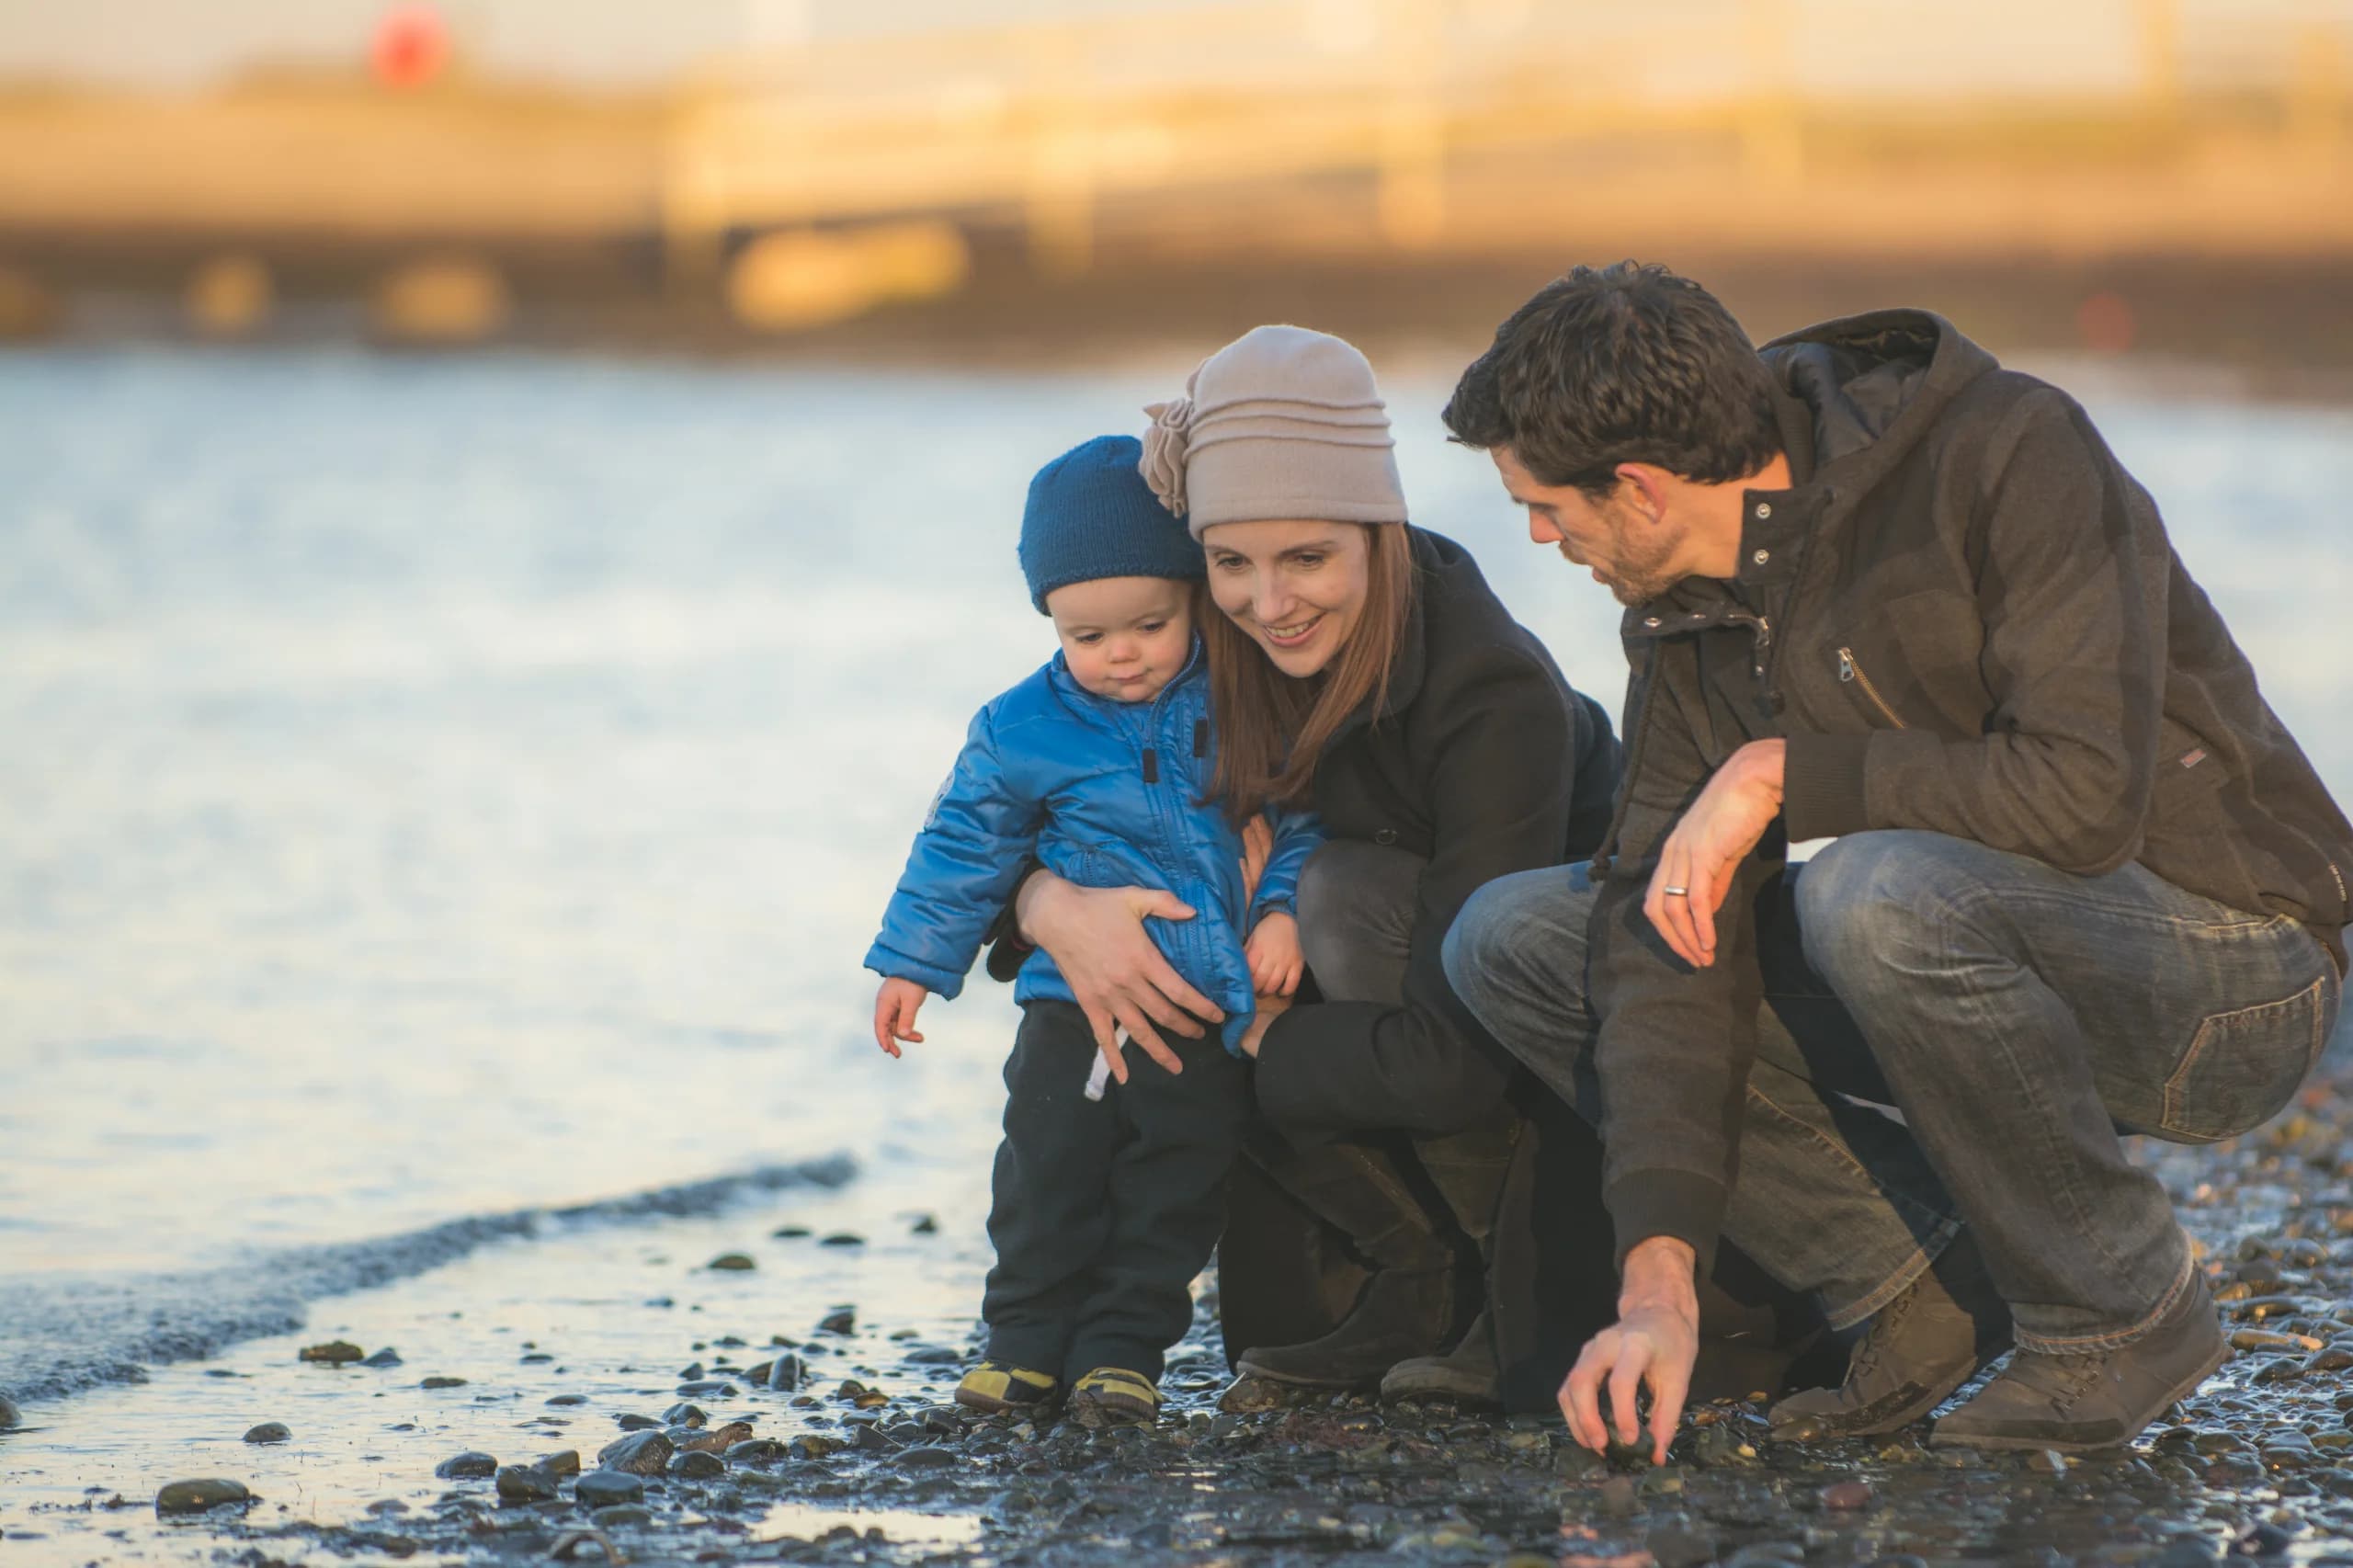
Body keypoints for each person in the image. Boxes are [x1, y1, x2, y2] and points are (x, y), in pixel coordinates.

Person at [1436, 261, 2352, 1458]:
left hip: (2236, 970)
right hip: (1977, 932)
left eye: (1544, 506)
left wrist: (1782, 772)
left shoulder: (2011, 448)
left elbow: (2082, 797)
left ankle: (2117, 1308)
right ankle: (1913, 1281)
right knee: (1524, 939)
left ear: (1643, 490)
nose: (1539, 536)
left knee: (1874, 894)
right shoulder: (1686, 599)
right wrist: (1658, 1288)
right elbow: (1666, 940)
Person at [993, 325, 1623, 1405]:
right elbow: (1029, 794)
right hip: (1328, 1032)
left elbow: (1454, 1057)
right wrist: (1048, 905)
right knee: (1268, 1323)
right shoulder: (1198, 646)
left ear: (1377, 532)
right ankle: (1397, 1263)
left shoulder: (1494, 697)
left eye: (1307, 558)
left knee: (1332, 886)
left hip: (1530, 1041)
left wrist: (1245, 1032)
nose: (1269, 603)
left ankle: (1489, 1274)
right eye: (1231, 562)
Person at [863, 434, 1323, 1428]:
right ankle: (1022, 1346)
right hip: (1067, 1007)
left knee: (1175, 1186)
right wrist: (912, 965)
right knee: (1045, 1175)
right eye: (1086, 634)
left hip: (1201, 1007)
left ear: (1194, 598)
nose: (1121, 654)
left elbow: (1305, 819)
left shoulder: (1249, 701)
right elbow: (962, 846)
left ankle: (1121, 1354)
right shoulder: (1021, 726)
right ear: (1050, 621)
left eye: (1150, 625)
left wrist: (1283, 910)